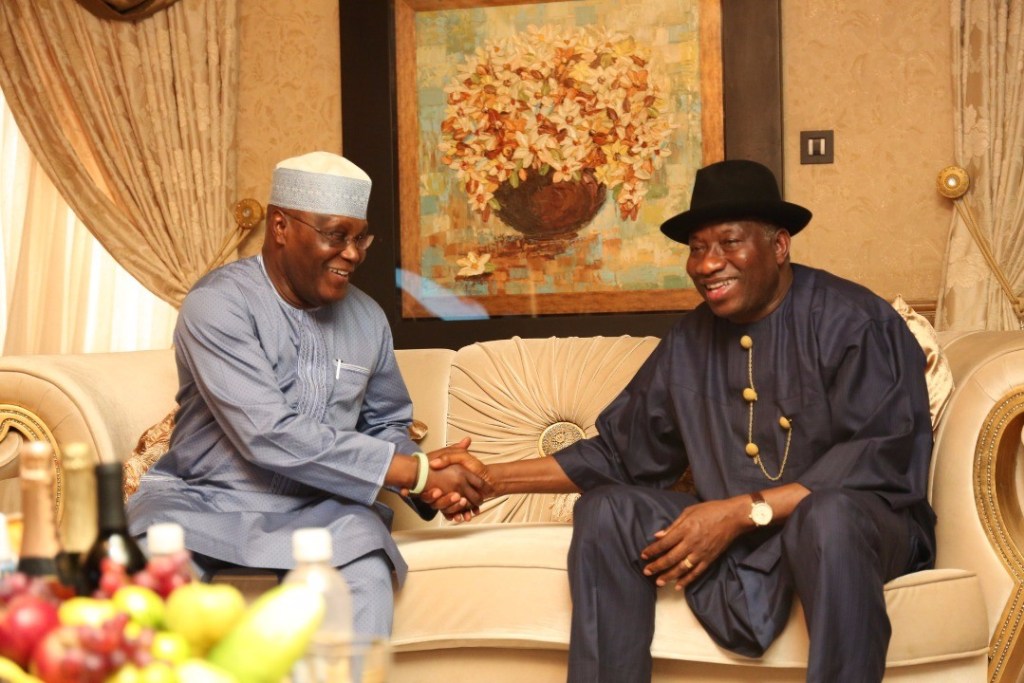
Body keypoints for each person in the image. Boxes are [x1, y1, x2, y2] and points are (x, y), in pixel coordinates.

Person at [428, 159, 937, 682]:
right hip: (747, 534)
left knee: (827, 516)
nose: (708, 264)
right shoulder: (690, 340)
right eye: (697, 249)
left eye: (729, 243)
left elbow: (881, 463)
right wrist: (490, 479)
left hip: (858, 534)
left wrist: (739, 512)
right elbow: (618, 454)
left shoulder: (856, 321)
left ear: (780, 245)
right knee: (608, 511)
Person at [127, 151, 487, 637]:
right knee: (150, 605)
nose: (354, 253)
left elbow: (384, 425)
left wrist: (430, 482)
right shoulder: (217, 304)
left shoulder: (367, 318)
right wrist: (413, 472)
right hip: (204, 503)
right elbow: (267, 433)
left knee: (365, 575)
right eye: (336, 235)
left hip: (325, 509)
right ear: (280, 225)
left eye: (361, 238)